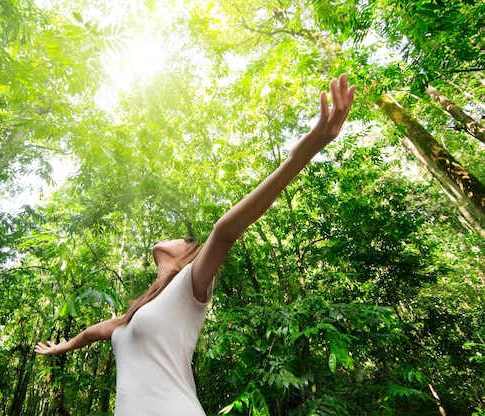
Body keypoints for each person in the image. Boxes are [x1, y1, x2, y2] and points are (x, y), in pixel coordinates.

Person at [35, 74, 356, 415]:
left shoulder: (191, 284)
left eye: (181, 239)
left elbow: (224, 232)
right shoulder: (132, 317)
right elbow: (91, 333)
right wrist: (63, 347)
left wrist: (302, 153)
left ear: (187, 255)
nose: (169, 237)